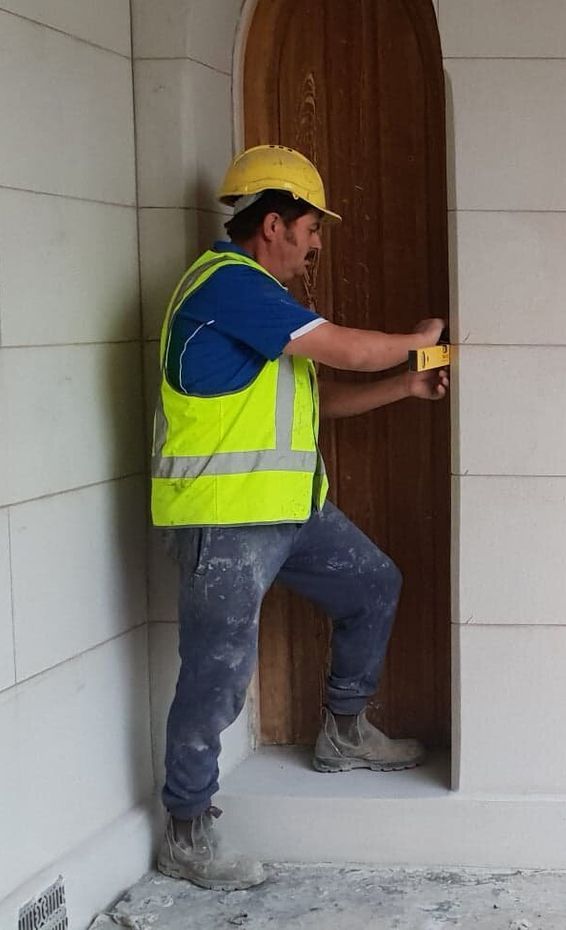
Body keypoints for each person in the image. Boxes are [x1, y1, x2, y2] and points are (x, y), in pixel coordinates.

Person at [148, 145, 448, 890]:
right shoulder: (228, 284)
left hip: (288, 513)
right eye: (312, 229)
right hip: (224, 520)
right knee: (217, 673)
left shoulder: (263, 305)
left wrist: (405, 388)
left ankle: (343, 732)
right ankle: (187, 831)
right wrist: (418, 344)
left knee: (373, 584)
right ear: (274, 224)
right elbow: (345, 349)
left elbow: (320, 401)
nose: (316, 245)